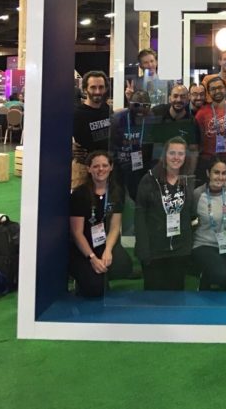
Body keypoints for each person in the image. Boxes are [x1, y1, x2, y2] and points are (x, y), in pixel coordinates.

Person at [69, 151, 132, 297]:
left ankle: (102, 275)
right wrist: (92, 258)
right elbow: (77, 233)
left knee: (123, 267)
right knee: (95, 289)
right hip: (83, 248)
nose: (101, 169)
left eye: (104, 165)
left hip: (103, 244)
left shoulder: (116, 193)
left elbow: (115, 227)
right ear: (89, 169)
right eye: (96, 166)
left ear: (111, 167)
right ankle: (80, 279)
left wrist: (108, 250)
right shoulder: (80, 194)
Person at [135, 137, 195, 290]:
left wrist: (188, 245)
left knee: (176, 296)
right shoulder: (149, 180)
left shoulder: (187, 180)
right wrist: (143, 250)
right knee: (154, 297)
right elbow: (140, 216)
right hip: (154, 252)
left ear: (185, 157)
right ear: (164, 155)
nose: (176, 157)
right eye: (172, 153)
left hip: (180, 252)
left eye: (180, 154)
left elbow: (191, 214)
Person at [192, 158, 226, 290]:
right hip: (205, 244)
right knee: (221, 274)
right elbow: (191, 218)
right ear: (208, 173)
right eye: (216, 172)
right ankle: (204, 278)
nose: (220, 177)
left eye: (223, 173)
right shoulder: (198, 194)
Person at [194, 76, 226, 181]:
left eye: (220, 87)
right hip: (209, 161)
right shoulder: (201, 114)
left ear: (225, 89)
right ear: (208, 92)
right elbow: (198, 139)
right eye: (213, 89)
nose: (217, 91)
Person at [110, 89, 154, 201]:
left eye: (145, 106)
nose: (140, 109)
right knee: (119, 197)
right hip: (120, 165)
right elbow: (111, 144)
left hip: (141, 167)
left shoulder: (152, 119)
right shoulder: (118, 118)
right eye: (136, 105)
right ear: (130, 104)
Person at [150, 84, 200, 173]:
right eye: (175, 96)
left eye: (183, 97)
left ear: (188, 99)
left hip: (180, 169)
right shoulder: (157, 112)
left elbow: (193, 151)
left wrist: (189, 175)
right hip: (157, 168)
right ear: (170, 98)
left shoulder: (192, 122)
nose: (179, 100)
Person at [73, 71, 112, 161]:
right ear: (85, 89)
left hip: (107, 164)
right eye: (93, 87)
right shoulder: (77, 114)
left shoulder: (107, 109)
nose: (97, 91)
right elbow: (58, 137)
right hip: (87, 165)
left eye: (101, 87)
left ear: (105, 89)